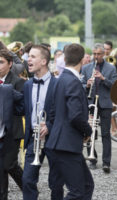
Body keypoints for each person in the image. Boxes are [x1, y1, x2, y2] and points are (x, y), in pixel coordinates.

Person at [46, 43, 94, 199]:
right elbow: (75, 115)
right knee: (77, 191)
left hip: (60, 142)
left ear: (64, 58)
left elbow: (52, 113)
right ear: (83, 60)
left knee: (87, 185)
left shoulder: (60, 79)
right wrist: (88, 130)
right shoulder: (72, 81)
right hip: (67, 144)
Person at [22, 45, 63, 200]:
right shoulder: (27, 85)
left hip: (54, 139)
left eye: (33, 56)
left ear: (44, 61)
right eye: (28, 56)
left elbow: (63, 112)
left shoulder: (58, 83)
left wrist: (50, 126)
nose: (28, 59)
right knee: (27, 180)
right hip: (34, 138)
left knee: (56, 183)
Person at [81, 43, 117, 172]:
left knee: (106, 133)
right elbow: (81, 84)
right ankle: (93, 159)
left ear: (104, 54)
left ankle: (106, 162)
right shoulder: (85, 68)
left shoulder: (111, 68)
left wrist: (103, 79)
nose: (96, 56)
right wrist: (87, 85)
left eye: (99, 54)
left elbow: (114, 86)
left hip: (105, 103)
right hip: (90, 103)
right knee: (90, 132)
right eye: (94, 54)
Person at [0, 49, 25, 200]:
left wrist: (6, 93)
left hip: (12, 132)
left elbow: (22, 108)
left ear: (10, 64)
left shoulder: (17, 81)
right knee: (0, 169)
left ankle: (27, 187)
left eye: (1, 62)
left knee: (9, 165)